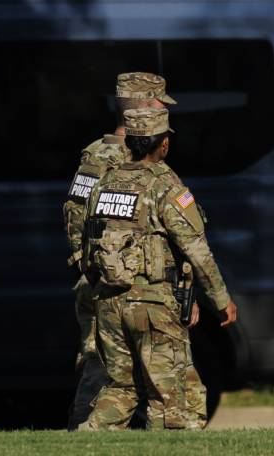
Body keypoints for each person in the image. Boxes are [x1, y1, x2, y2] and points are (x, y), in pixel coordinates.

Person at [78, 108, 237, 430]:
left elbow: (87, 242)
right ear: (162, 143)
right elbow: (196, 249)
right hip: (153, 303)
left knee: (120, 388)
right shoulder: (165, 185)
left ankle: (87, 446)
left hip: (110, 301)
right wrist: (221, 299)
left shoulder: (106, 182)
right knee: (169, 397)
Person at [63, 72, 174, 429]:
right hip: (112, 281)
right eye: (159, 103)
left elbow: (73, 214)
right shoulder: (119, 156)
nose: (164, 110)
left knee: (115, 366)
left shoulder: (96, 153)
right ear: (144, 106)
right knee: (106, 367)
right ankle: (86, 435)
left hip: (102, 275)